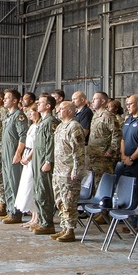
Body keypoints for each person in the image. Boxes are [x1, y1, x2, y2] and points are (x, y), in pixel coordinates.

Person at [51, 101, 86, 243]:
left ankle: (70, 230)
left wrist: (76, 169)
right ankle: (64, 227)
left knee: (69, 201)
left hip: (69, 172)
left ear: (70, 111)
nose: (58, 111)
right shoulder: (60, 126)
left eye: (61, 109)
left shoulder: (74, 127)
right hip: (58, 170)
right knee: (60, 200)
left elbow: (78, 152)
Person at [31, 94, 59, 235]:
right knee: (38, 191)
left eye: (41, 102)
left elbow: (51, 144)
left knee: (44, 192)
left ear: (48, 106)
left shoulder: (51, 122)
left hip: (44, 161)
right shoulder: (42, 121)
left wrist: (49, 160)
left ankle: (47, 223)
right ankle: (41, 221)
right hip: (37, 160)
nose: (38, 104)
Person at [0, 89, 28, 225]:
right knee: (7, 183)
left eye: (7, 98)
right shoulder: (8, 116)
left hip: (13, 153)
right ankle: (10, 210)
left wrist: (18, 153)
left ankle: (16, 213)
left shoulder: (19, 116)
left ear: (15, 100)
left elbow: (23, 136)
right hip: (5, 153)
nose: (4, 100)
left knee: (14, 182)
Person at [87, 91, 120, 190]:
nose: (92, 101)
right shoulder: (95, 115)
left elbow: (117, 133)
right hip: (93, 155)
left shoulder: (108, 116)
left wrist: (111, 150)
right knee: (92, 184)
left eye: (95, 99)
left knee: (102, 184)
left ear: (102, 101)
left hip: (103, 157)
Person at [15, 105, 39, 229]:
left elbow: (37, 146)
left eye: (32, 112)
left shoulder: (39, 127)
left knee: (33, 187)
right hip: (27, 157)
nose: (30, 114)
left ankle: (37, 218)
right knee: (28, 188)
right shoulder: (32, 126)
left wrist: (27, 158)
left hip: (33, 158)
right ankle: (33, 217)